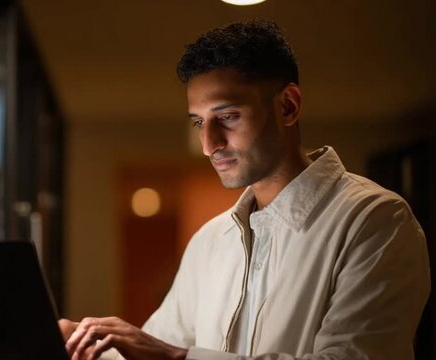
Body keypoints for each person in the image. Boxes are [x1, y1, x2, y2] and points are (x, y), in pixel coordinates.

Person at [60, 20, 431, 360]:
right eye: (199, 122)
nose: (209, 144)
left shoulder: (375, 220)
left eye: (228, 117)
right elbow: (150, 349)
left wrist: (178, 358)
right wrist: (75, 344)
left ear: (288, 106)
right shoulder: (210, 240)